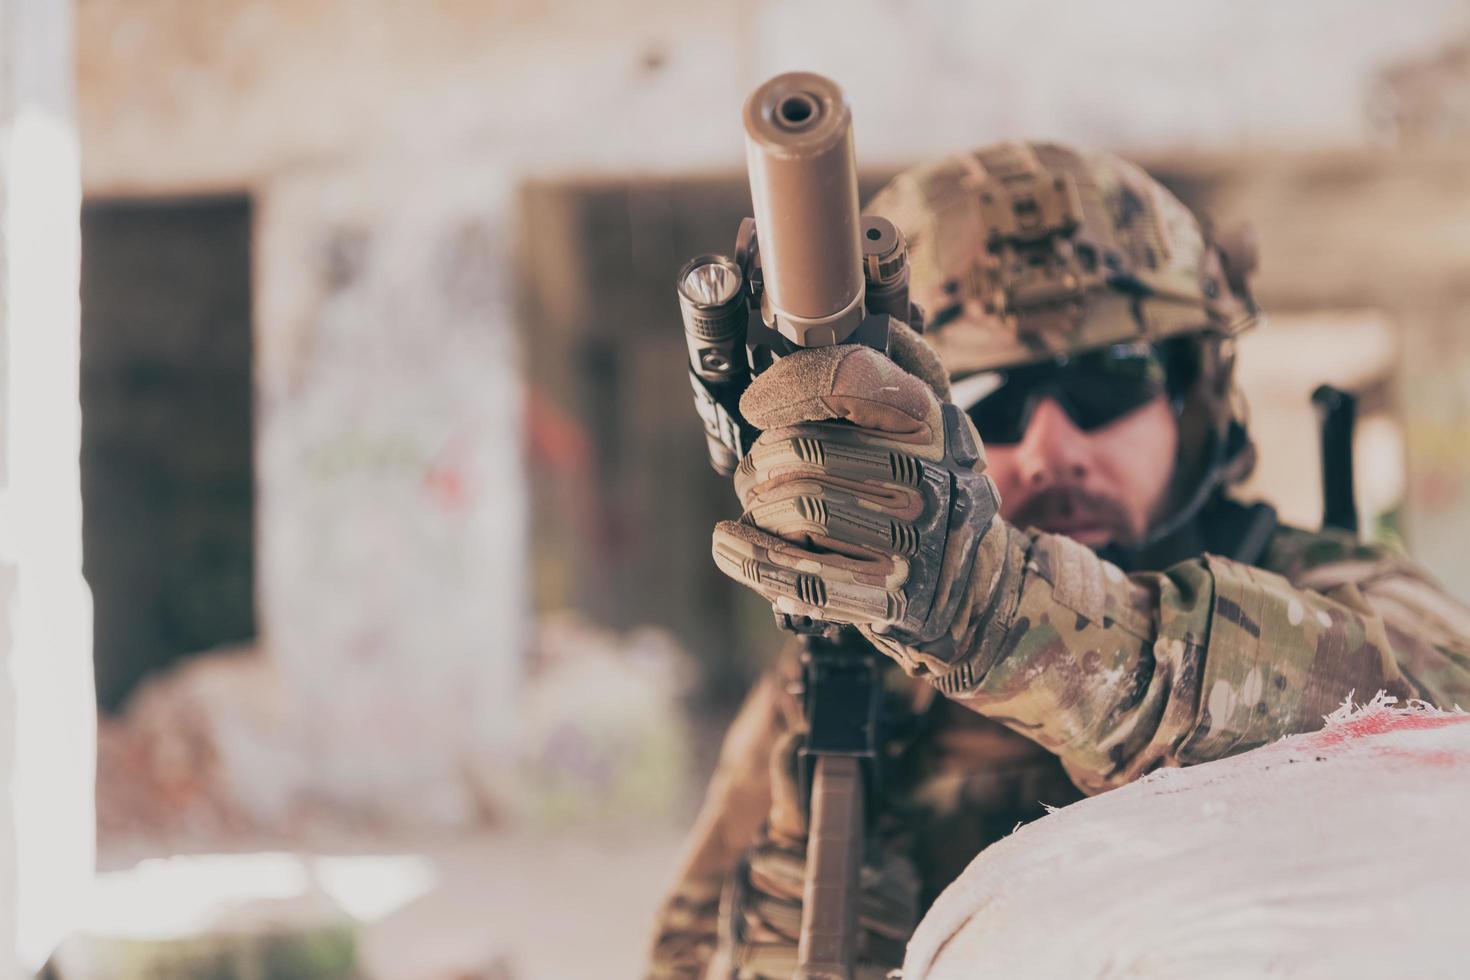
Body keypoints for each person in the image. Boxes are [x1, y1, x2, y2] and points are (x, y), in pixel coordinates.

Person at [647, 141, 1470, 979]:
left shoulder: (1331, 590)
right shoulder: (835, 692)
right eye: (985, 404)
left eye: (1106, 382)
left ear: (1195, 396)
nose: (1052, 447)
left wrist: (1004, 616)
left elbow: (1448, 720)